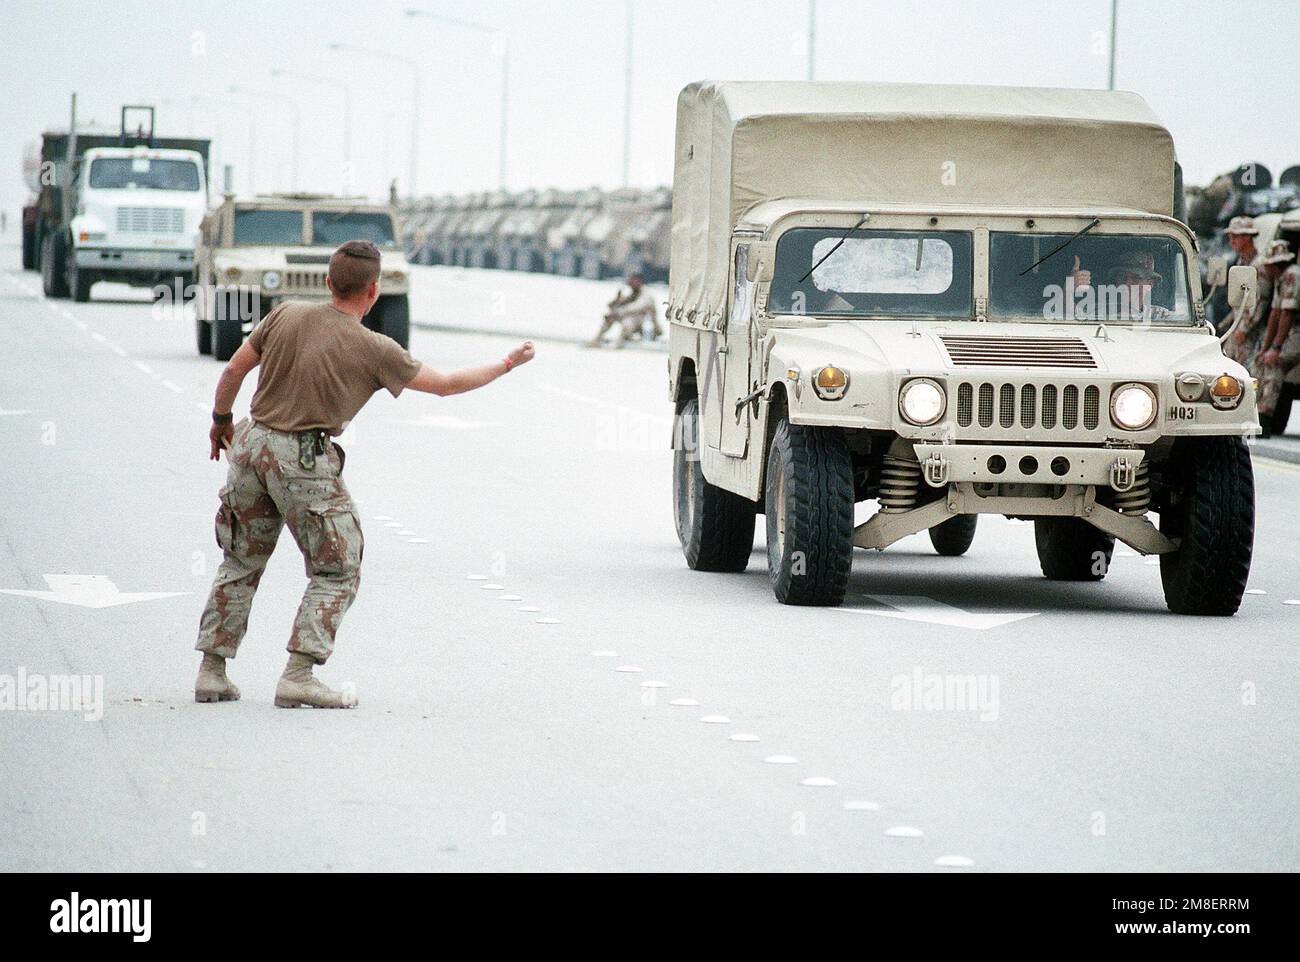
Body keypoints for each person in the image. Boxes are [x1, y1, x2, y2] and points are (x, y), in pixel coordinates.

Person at [193, 239, 534, 708]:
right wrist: (507, 363)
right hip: (302, 458)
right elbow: (448, 386)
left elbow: (234, 370)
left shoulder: (285, 314)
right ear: (374, 292)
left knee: (240, 559)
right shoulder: (376, 349)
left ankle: (212, 670)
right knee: (338, 567)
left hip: (251, 445)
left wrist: (220, 422)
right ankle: (299, 675)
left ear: (328, 282)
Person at [1254, 239, 1297, 434]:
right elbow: (1275, 314)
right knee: (1264, 360)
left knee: (1275, 363)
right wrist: (1265, 348)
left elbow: (1287, 314)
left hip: (1296, 329)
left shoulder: (1291, 276)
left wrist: (1276, 349)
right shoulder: (1281, 278)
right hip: (1292, 330)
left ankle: (1265, 416)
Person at [1221, 216, 1272, 371]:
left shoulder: (1259, 265)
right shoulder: (1242, 263)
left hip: (1250, 332)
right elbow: (1238, 300)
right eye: (1230, 237)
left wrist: (1243, 329)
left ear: (1248, 237)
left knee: (1245, 373)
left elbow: (1259, 301)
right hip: (1237, 327)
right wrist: (1226, 323)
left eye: (1235, 236)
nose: (1232, 241)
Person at [588, 273, 662, 347]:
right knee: (610, 318)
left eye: (632, 281)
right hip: (630, 319)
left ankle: (618, 343)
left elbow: (636, 307)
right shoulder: (632, 293)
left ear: (639, 281)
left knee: (627, 322)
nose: (630, 283)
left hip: (643, 322)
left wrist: (618, 312)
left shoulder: (646, 294)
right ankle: (597, 339)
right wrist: (617, 300)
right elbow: (612, 306)